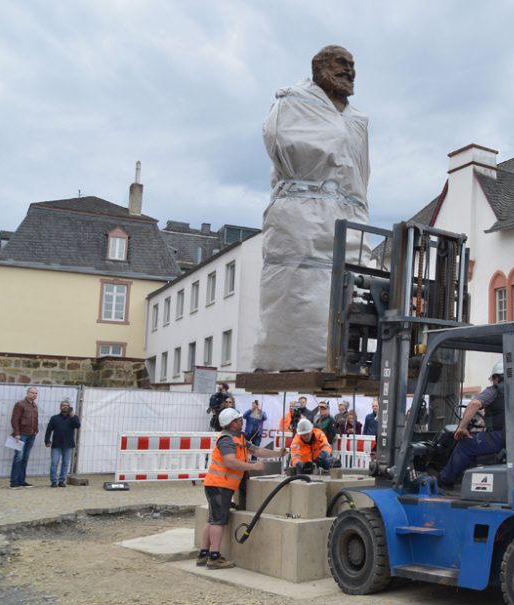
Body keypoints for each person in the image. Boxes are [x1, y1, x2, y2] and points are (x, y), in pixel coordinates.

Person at [254, 45, 372, 371]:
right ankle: (299, 357)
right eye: (341, 63)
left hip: (347, 214)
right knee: (303, 285)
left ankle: (343, 354)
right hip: (303, 214)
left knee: (353, 286)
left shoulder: (356, 120)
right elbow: (283, 140)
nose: (349, 70)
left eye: (352, 64)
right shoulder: (295, 101)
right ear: (319, 67)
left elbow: (357, 170)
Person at [199, 408, 283, 569]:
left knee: (212, 519)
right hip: (219, 485)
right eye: (238, 420)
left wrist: (278, 454)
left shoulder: (240, 438)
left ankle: (204, 554)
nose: (241, 421)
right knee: (218, 521)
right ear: (231, 424)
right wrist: (253, 466)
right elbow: (230, 461)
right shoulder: (227, 439)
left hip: (219, 485)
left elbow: (257, 450)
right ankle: (214, 557)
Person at [438, 362, 506, 488]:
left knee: (465, 444)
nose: (493, 382)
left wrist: (462, 427)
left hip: (500, 437)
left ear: (497, 378)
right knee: (476, 440)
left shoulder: (495, 391)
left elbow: (474, 404)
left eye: (493, 380)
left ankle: (445, 480)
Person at [44, 398, 80, 488]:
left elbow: (77, 425)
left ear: (69, 407)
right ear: (60, 407)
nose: (65, 407)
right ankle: (53, 481)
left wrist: (73, 416)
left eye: (67, 406)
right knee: (54, 462)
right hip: (56, 444)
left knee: (65, 463)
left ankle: (62, 480)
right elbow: (49, 430)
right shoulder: (54, 418)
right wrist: (47, 441)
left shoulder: (72, 418)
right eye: (63, 405)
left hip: (68, 444)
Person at [10, 386, 40, 489]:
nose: (34, 395)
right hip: (21, 435)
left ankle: (21, 481)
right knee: (18, 457)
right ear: (27, 393)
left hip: (31, 435)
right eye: (32, 393)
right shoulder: (20, 404)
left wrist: (36, 430)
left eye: (36, 393)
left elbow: (35, 419)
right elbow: (15, 419)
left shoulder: (34, 406)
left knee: (25, 458)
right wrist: (16, 433)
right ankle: (13, 482)